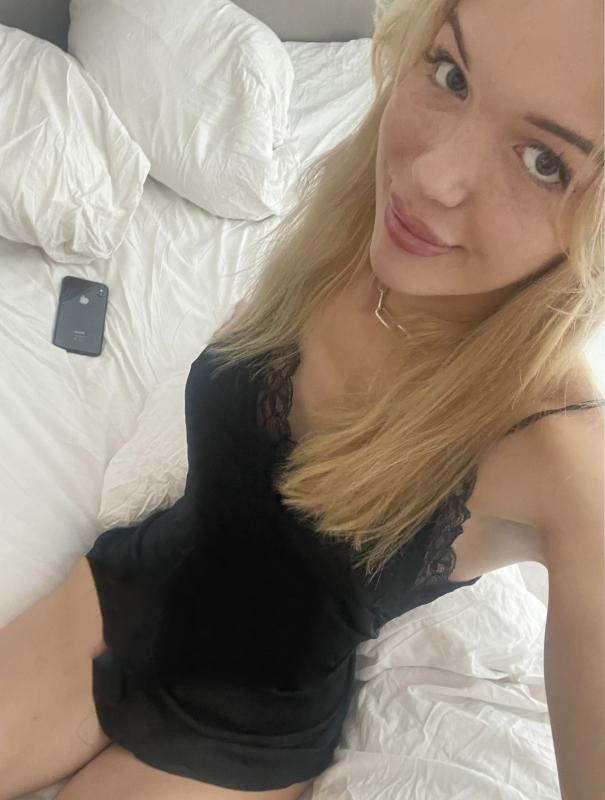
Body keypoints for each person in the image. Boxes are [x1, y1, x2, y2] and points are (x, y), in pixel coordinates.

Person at [1, 0, 603, 798]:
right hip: (121, 590)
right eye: (451, 74)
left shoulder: (559, 452)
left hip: (239, 737)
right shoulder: (356, 220)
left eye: (543, 162)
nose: (429, 175)